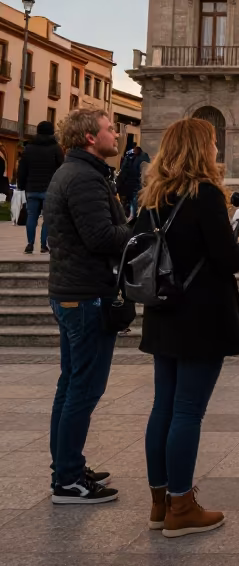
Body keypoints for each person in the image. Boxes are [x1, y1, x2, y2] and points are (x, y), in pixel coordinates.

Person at [136, 117, 239, 536]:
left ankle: (159, 504)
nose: (217, 149)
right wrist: (235, 231)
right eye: (213, 143)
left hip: (161, 310)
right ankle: (182, 505)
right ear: (202, 149)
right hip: (199, 314)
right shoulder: (203, 196)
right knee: (187, 410)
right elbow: (227, 258)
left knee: (163, 405)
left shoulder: (151, 195)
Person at [45, 109, 128, 504]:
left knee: (70, 385)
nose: (117, 134)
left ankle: (66, 467)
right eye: (111, 129)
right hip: (85, 295)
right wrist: (138, 230)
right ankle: (68, 481)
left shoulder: (76, 172)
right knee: (83, 389)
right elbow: (101, 237)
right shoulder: (83, 178)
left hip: (71, 291)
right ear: (91, 138)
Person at [17, 120, 64, 254]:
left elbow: (22, 169)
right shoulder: (56, 148)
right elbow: (62, 167)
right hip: (49, 189)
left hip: (31, 188)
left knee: (31, 217)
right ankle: (44, 245)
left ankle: (30, 244)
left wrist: (21, 185)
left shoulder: (29, 148)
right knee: (48, 218)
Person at [116, 144, 150, 220]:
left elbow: (124, 170)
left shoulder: (129, 156)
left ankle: (131, 217)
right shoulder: (143, 157)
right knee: (134, 201)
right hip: (135, 184)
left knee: (131, 201)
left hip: (130, 184)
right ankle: (133, 217)